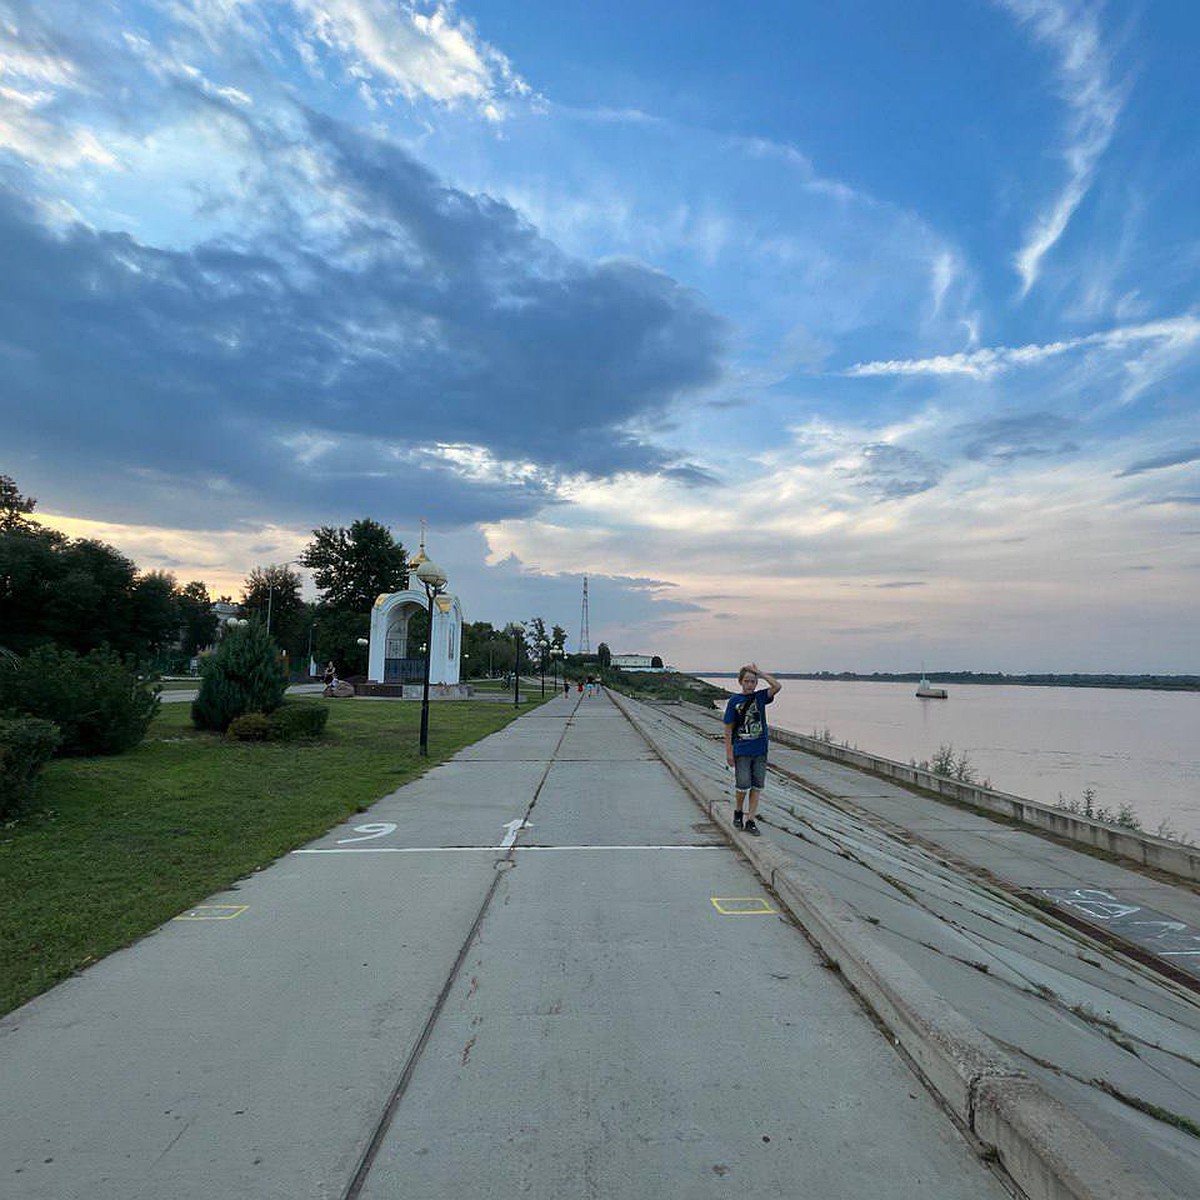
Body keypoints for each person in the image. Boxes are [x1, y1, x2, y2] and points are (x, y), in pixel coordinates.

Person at [722, 663, 782, 836]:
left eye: (753, 681)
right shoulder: (735, 701)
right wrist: (729, 752)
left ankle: (750, 820)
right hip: (741, 750)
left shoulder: (760, 697)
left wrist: (760, 673)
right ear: (741, 682)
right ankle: (738, 811)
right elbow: (728, 728)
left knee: (757, 786)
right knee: (743, 785)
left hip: (760, 750)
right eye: (747, 681)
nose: (750, 684)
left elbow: (777, 686)